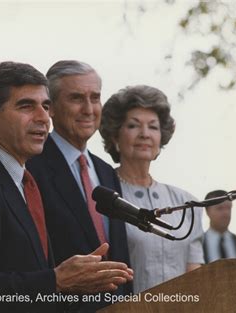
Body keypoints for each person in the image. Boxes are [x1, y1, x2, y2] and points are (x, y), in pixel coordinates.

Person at [0, 61, 133, 313]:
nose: (43, 118)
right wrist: (57, 280)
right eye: (26, 106)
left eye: (46, 106)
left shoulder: (21, 181)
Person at [26, 60, 132, 310]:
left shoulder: (106, 172)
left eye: (95, 98)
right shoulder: (31, 167)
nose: (88, 109)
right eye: (76, 98)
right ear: (50, 108)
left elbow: (120, 258)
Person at [99, 85, 204, 294]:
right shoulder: (102, 196)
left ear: (161, 138)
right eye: (133, 126)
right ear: (115, 136)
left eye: (153, 127)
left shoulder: (185, 202)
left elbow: (195, 277)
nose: (145, 134)